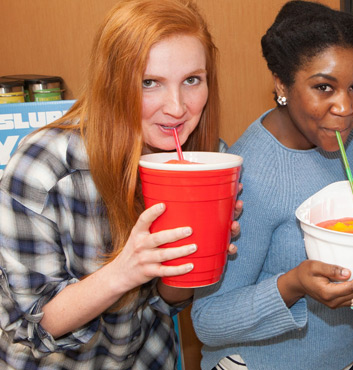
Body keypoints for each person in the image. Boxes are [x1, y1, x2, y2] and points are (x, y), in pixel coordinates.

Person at [0, 0, 240, 368]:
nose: (177, 108)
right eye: (149, 83)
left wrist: (192, 252)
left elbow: (166, 301)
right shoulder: (44, 167)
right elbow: (33, 326)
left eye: (192, 80)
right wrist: (125, 270)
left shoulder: (205, 158)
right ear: (112, 83)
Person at [191, 1, 353, 369]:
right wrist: (292, 285)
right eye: (323, 87)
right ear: (282, 83)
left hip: (352, 353)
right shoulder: (248, 173)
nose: (345, 107)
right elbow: (208, 320)